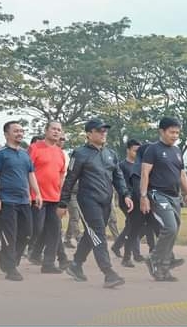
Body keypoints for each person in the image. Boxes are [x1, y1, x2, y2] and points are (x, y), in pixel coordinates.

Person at [58, 118, 133, 289]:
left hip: (106, 201)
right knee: (98, 233)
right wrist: (63, 203)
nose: (103, 133)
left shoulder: (111, 154)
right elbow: (70, 179)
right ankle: (108, 273)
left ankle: (76, 264)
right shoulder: (80, 153)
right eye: (99, 131)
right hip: (87, 200)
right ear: (89, 134)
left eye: (105, 130)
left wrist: (125, 194)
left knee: (91, 233)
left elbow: (118, 176)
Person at [140, 117, 187, 281]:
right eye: (172, 132)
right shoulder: (153, 150)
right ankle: (154, 258)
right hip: (158, 194)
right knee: (170, 228)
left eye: (177, 132)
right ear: (162, 131)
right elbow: (145, 173)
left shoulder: (177, 151)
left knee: (174, 231)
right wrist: (143, 196)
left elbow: (182, 175)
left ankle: (163, 269)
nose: (175, 135)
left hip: (174, 196)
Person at [0, 121, 43, 281]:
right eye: (16, 131)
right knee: (9, 235)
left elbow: (31, 175)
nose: (20, 133)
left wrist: (37, 194)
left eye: (21, 131)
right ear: (6, 134)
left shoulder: (25, 154)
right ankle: (11, 269)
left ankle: (7, 258)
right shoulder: (0, 154)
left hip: (24, 200)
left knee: (27, 233)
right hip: (6, 200)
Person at [27, 121, 66, 273]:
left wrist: (62, 197)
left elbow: (61, 174)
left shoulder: (60, 152)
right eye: (53, 129)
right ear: (46, 130)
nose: (56, 132)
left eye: (59, 130)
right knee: (38, 228)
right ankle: (31, 253)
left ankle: (48, 263)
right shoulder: (35, 148)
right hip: (37, 196)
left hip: (54, 198)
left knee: (54, 230)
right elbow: (26, 170)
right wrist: (30, 192)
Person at [111, 138, 141, 267]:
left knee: (133, 225)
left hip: (138, 199)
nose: (137, 153)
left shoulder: (140, 165)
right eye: (135, 151)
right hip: (126, 199)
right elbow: (120, 183)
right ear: (128, 150)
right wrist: (125, 195)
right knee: (133, 224)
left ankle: (118, 246)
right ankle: (134, 253)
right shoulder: (122, 165)